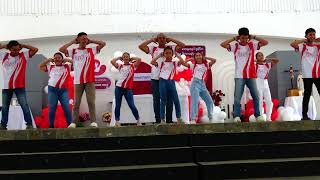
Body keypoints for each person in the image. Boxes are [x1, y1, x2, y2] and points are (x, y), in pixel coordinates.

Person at [220, 27, 268, 122]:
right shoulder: (235, 46)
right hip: (239, 76)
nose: (244, 40)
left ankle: (258, 115)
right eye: (242, 38)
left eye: (246, 38)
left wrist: (253, 37)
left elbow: (266, 42)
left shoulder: (252, 45)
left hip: (251, 75)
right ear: (239, 37)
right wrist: (234, 39)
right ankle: (237, 116)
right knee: (237, 97)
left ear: (248, 37)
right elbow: (222, 44)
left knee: (256, 96)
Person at [59, 32, 106, 127]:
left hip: (90, 80)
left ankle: (93, 121)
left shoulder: (91, 49)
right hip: (78, 81)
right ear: (78, 39)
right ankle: (74, 122)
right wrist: (73, 41)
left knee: (91, 102)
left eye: (86, 38)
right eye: (83, 38)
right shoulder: (73, 51)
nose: (85, 40)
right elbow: (61, 49)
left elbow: (103, 44)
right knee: (76, 103)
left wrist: (91, 41)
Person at [139, 33, 185, 124]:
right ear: (157, 39)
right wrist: (152, 40)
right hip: (155, 78)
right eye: (159, 38)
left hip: (168, 79)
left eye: (163, 38)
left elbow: (183, 45)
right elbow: (141, 46)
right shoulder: (153, 48)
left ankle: (168, 120)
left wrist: (170, 38)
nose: (161, 39)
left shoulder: (171, 47)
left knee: (169, 100)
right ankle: (159, 120)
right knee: (157, 100)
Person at [0, 40, 38, 130]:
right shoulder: (4, 55)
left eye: (18, 49)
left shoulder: (23, 55)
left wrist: (23, 45)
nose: (16, 52)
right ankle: (3, 126)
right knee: (5, 107)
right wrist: (4, 46)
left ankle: (29, 124)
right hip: (6, 86)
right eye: (13, 50)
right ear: (9, 49)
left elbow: (35, 49)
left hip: (19, 85)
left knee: (24, 105)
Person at [290, 28, 320, 120]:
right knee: (307, 95)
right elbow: (292, 44)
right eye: (310, 34)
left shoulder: (317, 46)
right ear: (306, 36)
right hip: (307, 75)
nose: (312, 36)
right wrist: (304, 40)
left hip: (317, 74)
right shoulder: (302, 46)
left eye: (314, 34)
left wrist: (316, 40)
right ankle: (304, 115)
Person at [38, 52, 73, 128]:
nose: (57, 59)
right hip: (52, 90)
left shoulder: (67, 66)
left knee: (66, 107)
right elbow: (40, 66)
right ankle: (51, 126)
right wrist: (48, 60)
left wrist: (67, 60)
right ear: (53, 59)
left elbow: (76, 64)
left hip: (63, 90)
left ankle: (69, 125)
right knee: (52, 108)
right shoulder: (50, 67)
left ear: (62, 59)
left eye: (59, 57)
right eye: (55, 58)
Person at [180, 52, 216, 124]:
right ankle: (193, 119)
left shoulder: (206, 65)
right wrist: (190, 58)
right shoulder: (193, 65)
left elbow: (214, 60)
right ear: (195, 57)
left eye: (199, 55)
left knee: (209, 101)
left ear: (202, 56)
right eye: (196, 56)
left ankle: (211, 117)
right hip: (195, 84)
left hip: (202, 84)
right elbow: (183, 63)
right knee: (195, 101)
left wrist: (206, 58)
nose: (198, 57)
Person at [151, 47, 184, 124]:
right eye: (166, 53)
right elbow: (152, 62)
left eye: (170, 53)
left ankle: (179, 118)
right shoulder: (161, 63)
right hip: (162, 82)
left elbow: (182, 61)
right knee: (163, 101)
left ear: (172, 54)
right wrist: (159, 56)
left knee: (176, 101)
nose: (168, 55)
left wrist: (177, 55)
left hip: (171, 82)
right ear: (164, 54)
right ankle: (162, 119)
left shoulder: (174, 63)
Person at [111, 52, 142, 127]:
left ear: (129, 58)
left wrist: (132, 58)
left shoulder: (133, 66)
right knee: (118, 105)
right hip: (119, 87)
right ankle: (117, 121)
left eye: (127, 57)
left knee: (131, 105)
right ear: (122, 58)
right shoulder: (120, 66)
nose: (126, 58)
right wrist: (119, 58)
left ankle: (138, 120)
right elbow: (112, 61)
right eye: (124, 57)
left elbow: (139, 60)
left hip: (128, 88)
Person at [255, 52, 279, 121]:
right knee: (260, 101)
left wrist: (267, 59)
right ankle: (260, 117)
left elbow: (276, 60)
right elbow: (249, 61)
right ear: (256, 58)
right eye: (259, 56)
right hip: (258, 81)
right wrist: (256, 60)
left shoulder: (267, 65)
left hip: (265, 83)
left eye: (262, 55)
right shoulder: (254, 65)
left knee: (269, 101)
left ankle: (268, 117)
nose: (261, 56)